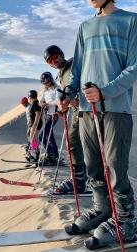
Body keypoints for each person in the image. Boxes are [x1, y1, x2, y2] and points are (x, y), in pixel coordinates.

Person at [58, 0, 137, 248]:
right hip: (84, 109)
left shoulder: (130, 21)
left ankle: (127, 220)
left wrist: (105, 91)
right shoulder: (84, 27)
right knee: (94, 165)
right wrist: (69, 94)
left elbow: (134, 67)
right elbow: (78, 68)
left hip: (116, 108)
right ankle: (103, 210)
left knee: (116, 166)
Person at [44, 45, 87, 194]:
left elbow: (84, 83)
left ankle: (78, 181)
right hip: (67, 112)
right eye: (50, 60)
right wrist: (60, 109)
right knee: (44, 137)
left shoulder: (74, 65)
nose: (53, 61)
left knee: (73, 141)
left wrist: (75, 99)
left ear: (61, 54)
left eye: (55, 57)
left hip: (84, 109)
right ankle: (82, 179)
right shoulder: (58, 77)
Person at [38, 72, 60, 166]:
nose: (45, 83)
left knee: (41, 135)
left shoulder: (57, 88)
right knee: (50, 136)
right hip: (47, 114)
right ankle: (54, 156)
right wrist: (42, 104)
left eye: (46, 81)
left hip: (53, 114)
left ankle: (50, 154)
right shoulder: (45, 90)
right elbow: (40, 101)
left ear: (50, 79)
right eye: (43, 82)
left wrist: (49, 104)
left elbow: (58, 101)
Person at [25, 90, 42, 162]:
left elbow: (38, 114)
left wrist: (34, 125)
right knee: (32, 139)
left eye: (28, 97)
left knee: (33, 139)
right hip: (35, 124)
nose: (28, 98)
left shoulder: (35, 103)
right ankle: (34, 154)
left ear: (30, 97)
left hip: (36, 124)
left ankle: (35, 156)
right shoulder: (35, 102)